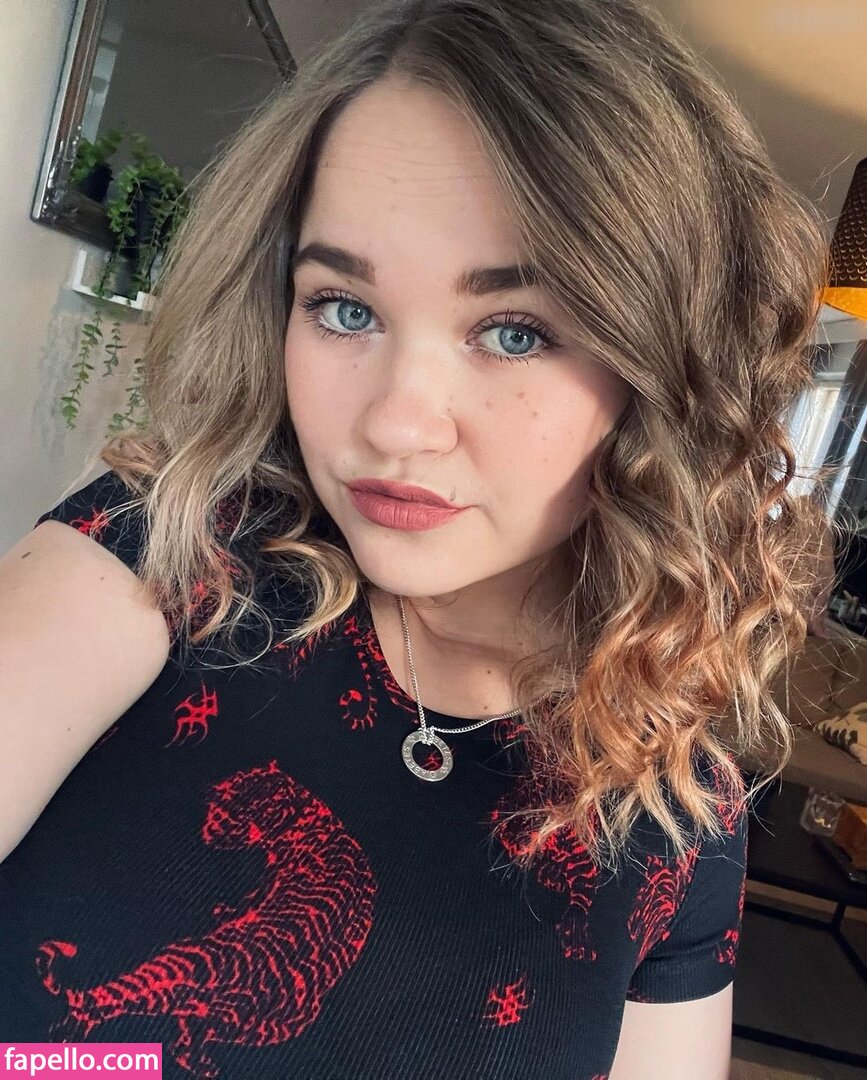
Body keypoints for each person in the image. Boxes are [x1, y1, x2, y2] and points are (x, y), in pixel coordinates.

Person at [0, 0, 828, 1077]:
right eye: (344, 307)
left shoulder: (675, 806)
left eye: (515, 330)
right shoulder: (159, 563)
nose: (394, 424)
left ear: (661, 371)